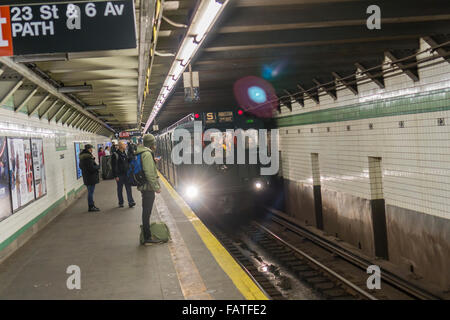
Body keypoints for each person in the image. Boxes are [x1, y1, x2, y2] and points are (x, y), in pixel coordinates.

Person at [136, 134, 161, 245]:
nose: (155, 145)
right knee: (147, 212)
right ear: (151, 144)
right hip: (148, 188)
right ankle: (147, 237)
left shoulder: (143, 152)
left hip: (145, 187)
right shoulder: (146, 154)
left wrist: (153, 162)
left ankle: (147, 235)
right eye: (154, 143)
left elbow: (147, 167)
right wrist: (156, 187)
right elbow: (149, 173)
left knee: (146, 211)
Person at [112, 140, 135, 208]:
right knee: (120, 189)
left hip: (126, 174)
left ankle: (131, 202)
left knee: (128, 188)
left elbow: (127, 161)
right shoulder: (115, 155)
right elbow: (114, 166)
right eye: (124, 145)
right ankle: (121, 202)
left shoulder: (124, 153)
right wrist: (115, 176)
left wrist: (132, 157)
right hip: (119, 175)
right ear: (121, 146)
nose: (126, 146)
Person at [79, 144, 100, 212]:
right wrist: (98, 167)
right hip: (90, 177)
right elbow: (91, 168)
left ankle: (92, 205)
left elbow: (81, 167)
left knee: (90, 192)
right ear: (88, 149)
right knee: (90, 192)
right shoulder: (88, 158)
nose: (92, 150)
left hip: (86, 176)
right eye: (91, 149)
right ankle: (91, 206)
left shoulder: (82, 157)